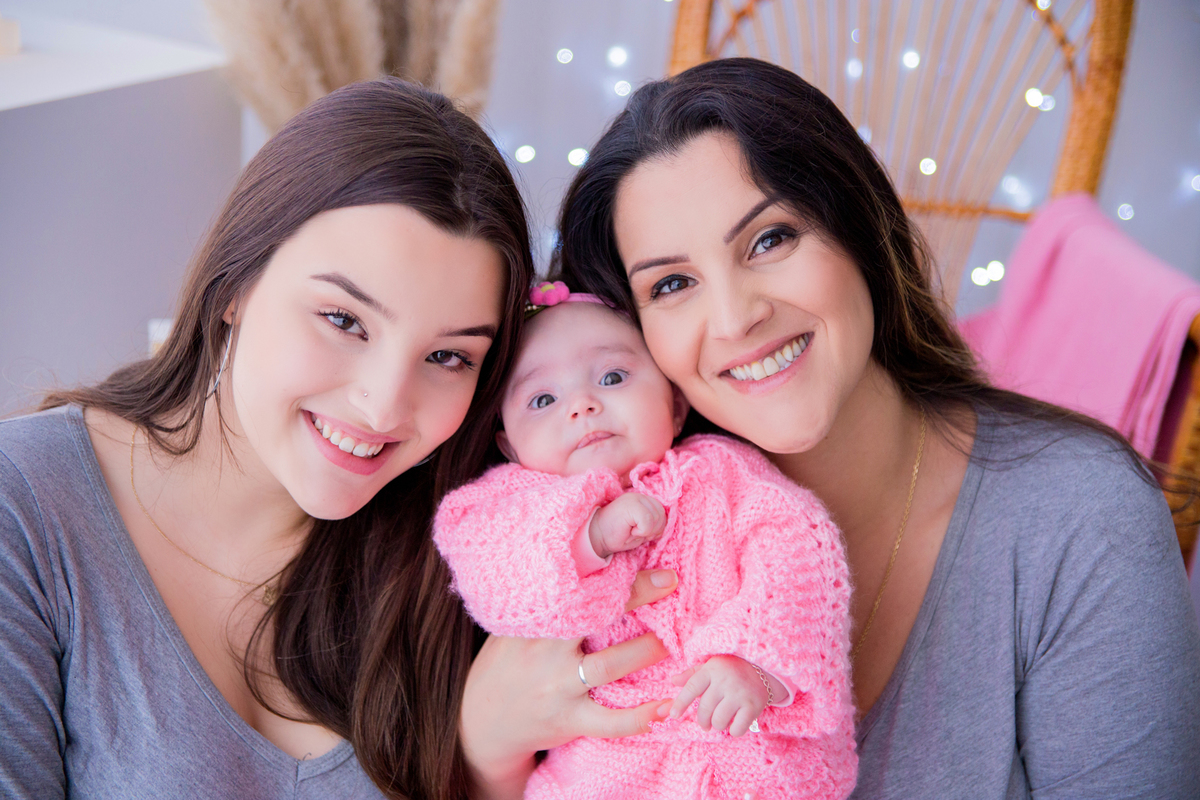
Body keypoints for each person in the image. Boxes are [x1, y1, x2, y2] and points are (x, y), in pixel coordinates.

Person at [511, 58, 1196, 798]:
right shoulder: (583, 539)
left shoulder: (1076, 516)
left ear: (860, 231)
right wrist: (487, 751)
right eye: (672, 284)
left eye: (770, 240)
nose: (737, 317)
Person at [0, 78, 676, 800]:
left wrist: (485, 763)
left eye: (448, 357)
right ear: (237, 284)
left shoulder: (473, 552)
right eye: (344, 320)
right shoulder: (31, 508)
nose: (384, 406)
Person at [434, 284, 856, 800]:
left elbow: (796, 548)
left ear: (674, 406)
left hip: (750, 752)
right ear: (508, 443)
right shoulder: (509, 504)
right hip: (603, 771)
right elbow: (490, 574)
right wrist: (592, 537)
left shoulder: (721, 474)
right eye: (543, 399)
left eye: (612, 377)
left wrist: (754, 666)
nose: (583, 406)